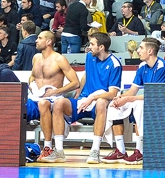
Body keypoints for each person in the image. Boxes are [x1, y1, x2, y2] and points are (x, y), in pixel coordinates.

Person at [50, 32, 122, 165]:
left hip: (100, 102)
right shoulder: (89, 56)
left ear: (101, 47)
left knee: (101, 103)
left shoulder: (115, 64)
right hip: (84, 99)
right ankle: (59, 151)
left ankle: (95, 151)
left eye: (92, 44)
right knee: (59, 103)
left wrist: (93, 97)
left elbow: (112, 93)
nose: (89, 47)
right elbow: (86, 75)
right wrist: (79, 92)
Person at [105, 37, 165, 164]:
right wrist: (121, 98)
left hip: (163, 103)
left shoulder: (163, 66)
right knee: (114, 106)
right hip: (148, 100)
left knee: (139, 105)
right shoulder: (142, 66)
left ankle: (140, 151)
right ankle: (120, 150)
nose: (138, 50)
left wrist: (128, 99)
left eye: (141, 48)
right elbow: (132, 91)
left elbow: (154, 95)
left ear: (150, 51)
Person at [27, 30, 81, 162]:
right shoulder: (36, 58)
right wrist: (31, 85)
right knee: (22, 107)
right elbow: (33, 76)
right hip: (36, 97)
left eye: (40, 38)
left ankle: (51, 147)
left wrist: (56, 91)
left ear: (49, 41)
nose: (36, 40)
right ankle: (44, 148)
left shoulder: (59, 59)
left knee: (43, 103)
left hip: (53, 98)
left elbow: (75, 83)